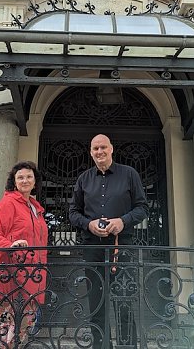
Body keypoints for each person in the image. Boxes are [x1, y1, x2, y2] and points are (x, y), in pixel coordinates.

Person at [69, 134, 148, 349]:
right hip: (92, 248)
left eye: (103, 147)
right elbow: (73, 212)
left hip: (122, 247)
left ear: (111, 149)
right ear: (91, 152)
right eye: (95, 148)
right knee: (96, 303)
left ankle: (127, 346)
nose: (100, 152)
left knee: (124, 302)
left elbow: (142, 208)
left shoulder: (129, 174)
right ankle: (101, 346)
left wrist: (123, 221)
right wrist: (89, 224)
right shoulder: (83, 179)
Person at [0, 161, 49, 347]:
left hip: (32, 275)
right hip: (11, 274)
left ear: (35, 181)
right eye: (20, 177)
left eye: (29, 177)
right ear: (14, 181)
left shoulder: (36, 208)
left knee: (22, 329)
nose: (25, 180)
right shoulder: (8, 203)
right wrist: (10, 245)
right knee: (4, 330)